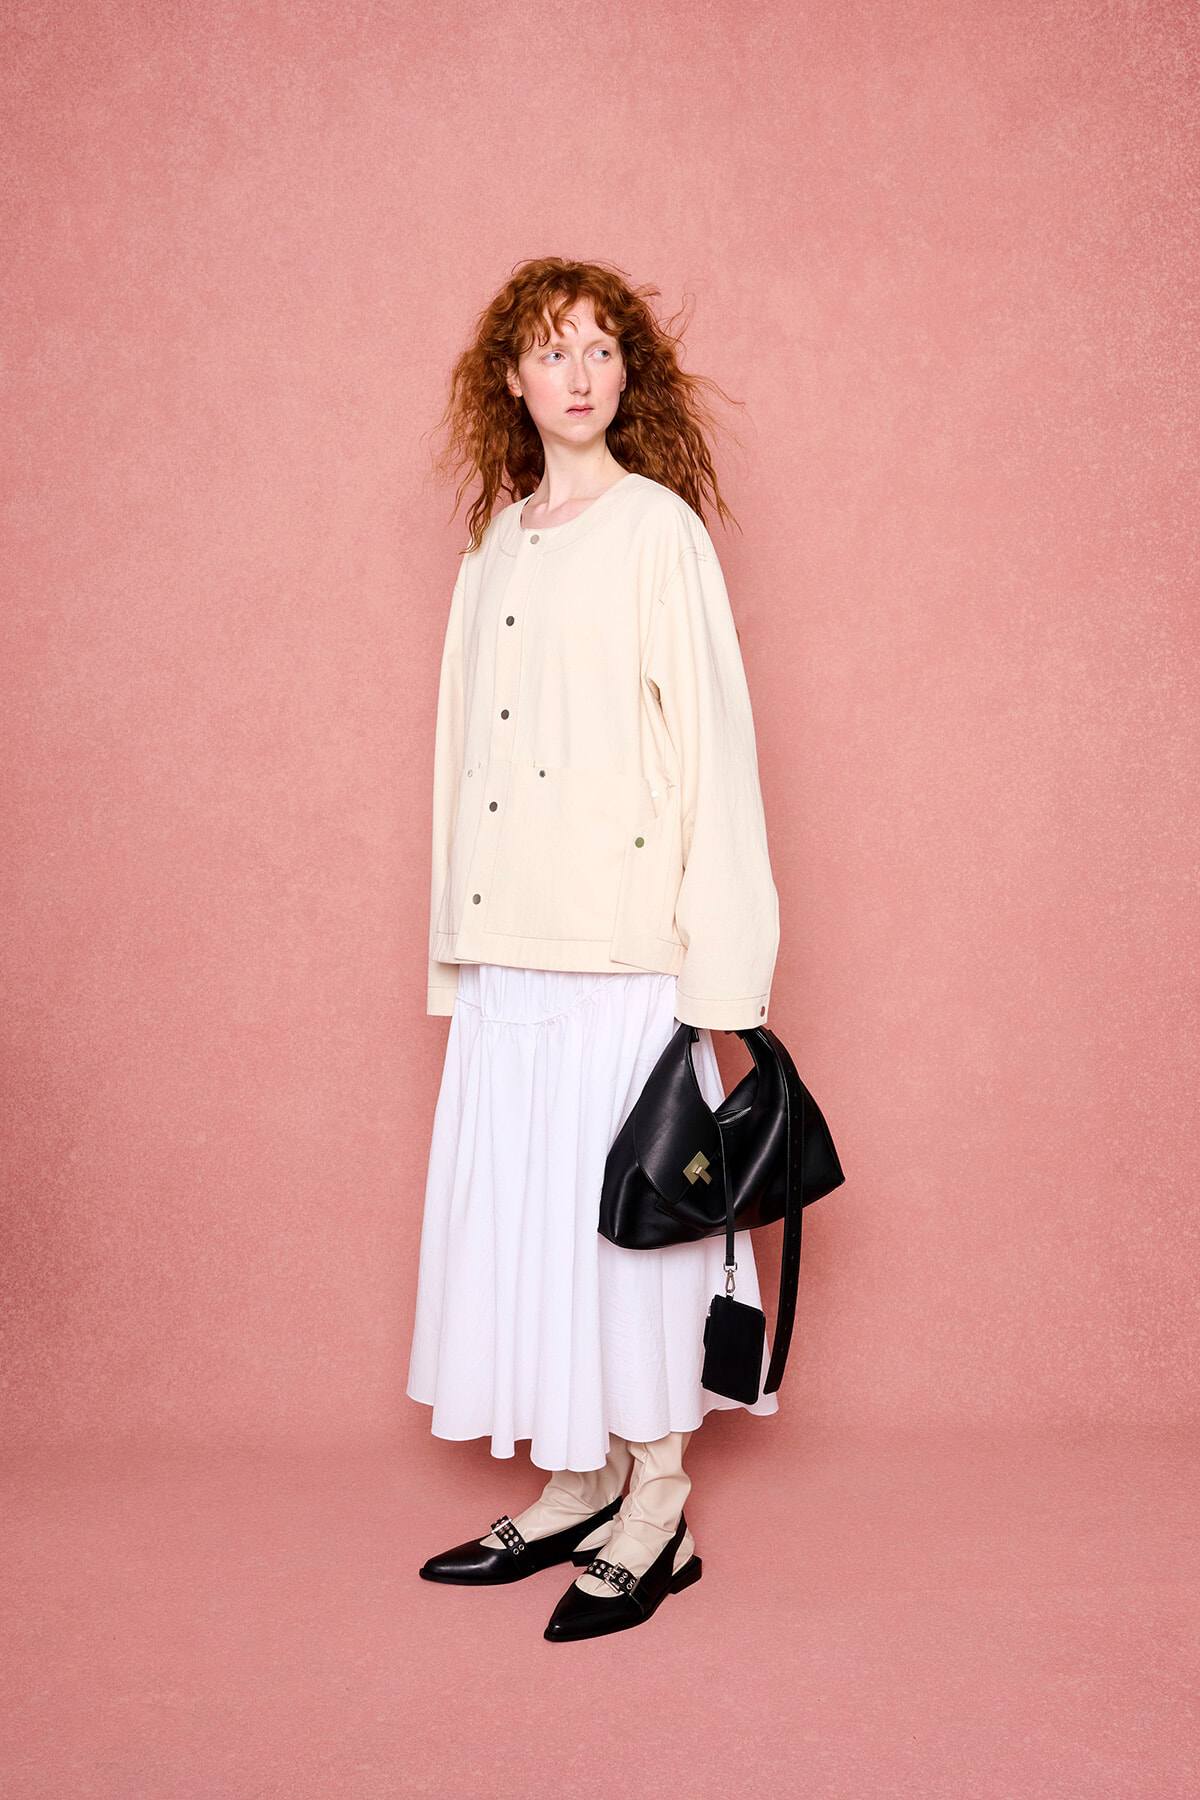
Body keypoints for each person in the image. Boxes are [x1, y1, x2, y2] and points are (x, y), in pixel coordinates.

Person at [406, 257, 780, 1642]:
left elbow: (715, 755)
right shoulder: (495, 544)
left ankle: (657, 1500)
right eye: (552, 351)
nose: (578, 372)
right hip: (514, 949)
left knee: (634, 1236)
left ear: (630, 378)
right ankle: (579, 1477)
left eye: (603, 350)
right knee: (543, 1230)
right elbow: (464, 762)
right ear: (511, 376)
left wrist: (721, 975)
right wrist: (458, 947)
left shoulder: (658, 530)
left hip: (622, 950)